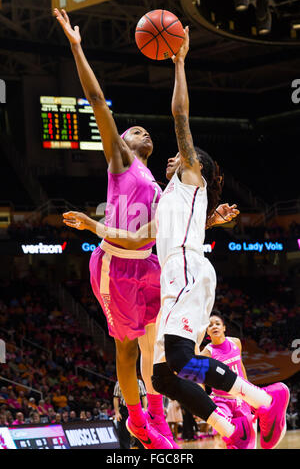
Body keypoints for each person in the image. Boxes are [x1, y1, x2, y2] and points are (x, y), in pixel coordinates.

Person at [64, 27, 290, 450]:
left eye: (180, 155)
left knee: (174, 360)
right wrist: (210, 223)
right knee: (165, 376)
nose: (172, 154)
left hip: (184, 273)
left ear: (194, 165)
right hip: (172, 275)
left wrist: (180, 63)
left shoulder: (189, 175)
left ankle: (265, 399)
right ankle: (231, 428)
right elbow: (152, 235)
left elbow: (179, 117)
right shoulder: (165, 194)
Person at [54, 7, 174, 450]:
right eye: (130, 128)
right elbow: (99, 100)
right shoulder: (121, 164)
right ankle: (137, 419)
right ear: (120, 143)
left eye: (144, 130)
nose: (137, 128)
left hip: (148, 263)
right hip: (116, 266)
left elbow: (153, 237)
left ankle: (158, 416)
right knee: (125, 349)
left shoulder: (158, 187)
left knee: (156, 347)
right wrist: (76, 46)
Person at [200, 312, 257, 448]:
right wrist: (203, 397)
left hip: (240, 398)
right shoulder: (207, 353)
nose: (214, 326)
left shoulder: (236, 342)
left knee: (247, 438)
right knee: (221, 436)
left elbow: (241, 366)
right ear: (207, 331)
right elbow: (198, 378)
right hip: (221, 400)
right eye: (210, 325)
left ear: (224, 327)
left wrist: (249, 393)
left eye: (217, 324)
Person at [113, 378, 147, 449]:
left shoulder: (139, 382)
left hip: (137, 409)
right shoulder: (119, 382)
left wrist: (145, 410)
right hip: (124, 410)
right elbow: (116, 398)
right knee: (123, 434)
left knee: (140, 433)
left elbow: (144, 396)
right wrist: (117, 412)